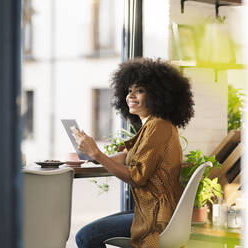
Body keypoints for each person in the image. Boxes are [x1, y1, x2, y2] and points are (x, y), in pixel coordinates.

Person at [74, 58, 194, 248]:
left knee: (85, 237)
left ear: (158, 94)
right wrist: (94, 158)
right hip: (150, 209)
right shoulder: (152, 125)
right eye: (129, 90)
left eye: (139, 90)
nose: (131, 96)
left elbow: (137, 177)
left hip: (156, 216)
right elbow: (128, 156)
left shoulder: (158, 126)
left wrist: (97, 154)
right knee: (96, 228)